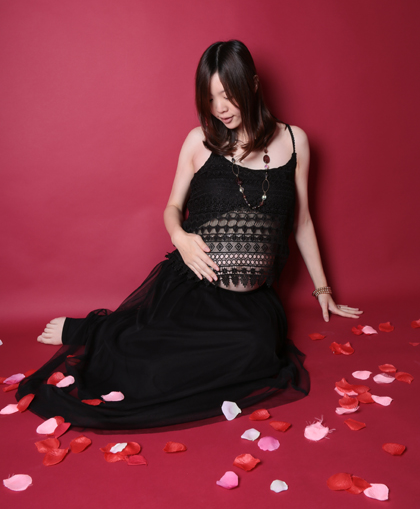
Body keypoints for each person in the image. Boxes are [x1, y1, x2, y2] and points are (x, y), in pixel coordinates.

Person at [17, 40, 362, 429]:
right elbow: (171, 207)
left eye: (228, 94)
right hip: (195, 282)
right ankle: (91, 329)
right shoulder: (199, 141)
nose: (220, 108)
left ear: (252, 84)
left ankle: (114, 333)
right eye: (210, 98)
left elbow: (302, 222)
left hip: (253, 300)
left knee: (258, 351)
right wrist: (179, 236)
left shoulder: (295, 141)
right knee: (150, 364)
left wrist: (322, 289)